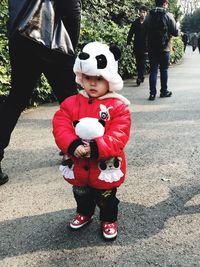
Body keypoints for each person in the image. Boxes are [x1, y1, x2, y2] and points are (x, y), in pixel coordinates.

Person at [52, 41, 131, 240]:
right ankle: (84, 213)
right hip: (78, 163)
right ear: (81, 77)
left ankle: (108, 219)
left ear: (109, 79)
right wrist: (72, 145)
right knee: (80, 192)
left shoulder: (118, 107)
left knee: (107, 198)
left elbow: (119, 135)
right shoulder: (71, 103)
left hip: (104, 165)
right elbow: (61, 125)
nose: (92, 83)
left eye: (99, 79)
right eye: (88, 78)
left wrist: (95, 148)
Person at [0, 0, 82, 185]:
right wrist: (70, 47)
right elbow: (71, 8)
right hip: (53, 39)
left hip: (21, 38)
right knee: (70, 100)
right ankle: (75, 150)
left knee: (15, 100)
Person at [143, 0, 179, 101]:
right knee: (164, 70)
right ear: (164, 3)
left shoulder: (149, 16)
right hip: (165, 48)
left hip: (152, 48)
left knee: (153, 70)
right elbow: (176, 32)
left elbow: (144, 30)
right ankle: (164, 91)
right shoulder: (168, 15)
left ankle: (152, 94)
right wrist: (178, 26)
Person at [127, 6, 148, 86]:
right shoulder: (135, 22)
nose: (142, 14)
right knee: (138, 62)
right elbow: (130, 33)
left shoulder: (148, 23)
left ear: (146, 13)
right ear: (139, 13)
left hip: (145, 46)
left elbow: (151, 34)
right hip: (137, 45)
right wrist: (128, 42)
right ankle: (141, 75)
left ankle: (140, 76)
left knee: (142, 62)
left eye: (143, 12)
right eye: (141, 12)